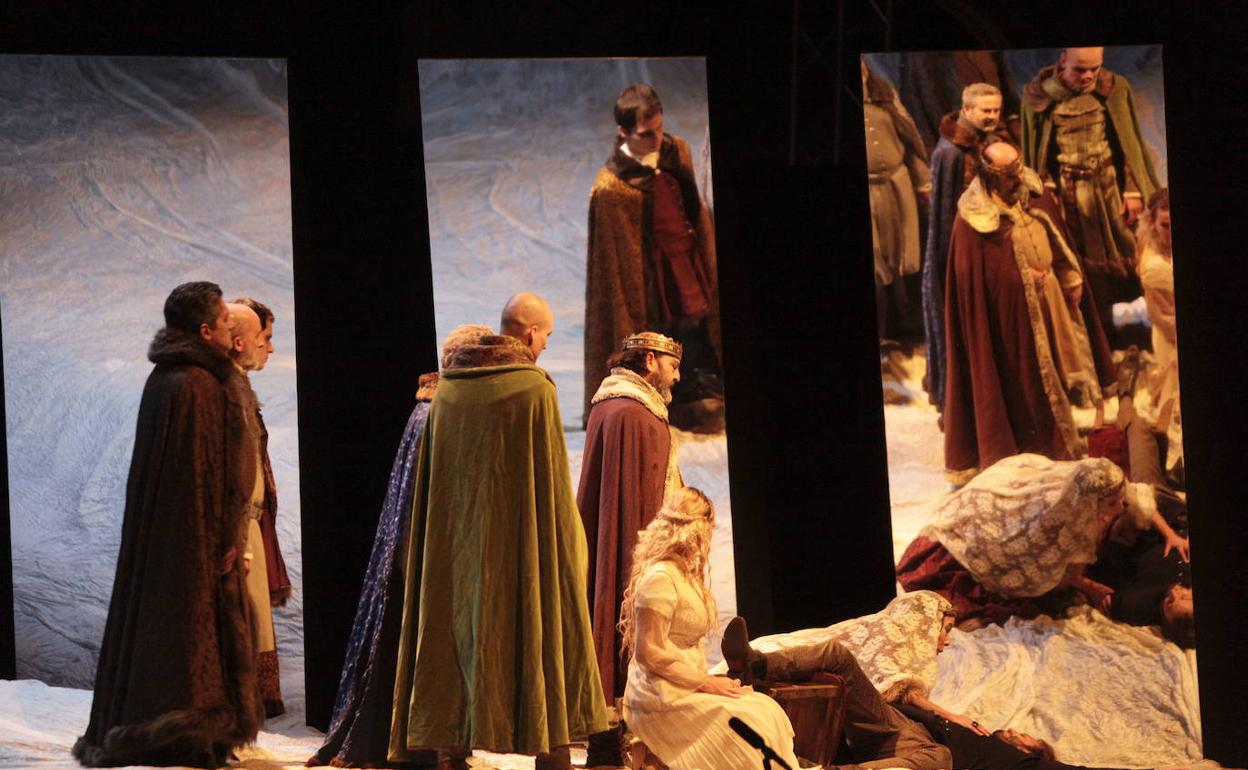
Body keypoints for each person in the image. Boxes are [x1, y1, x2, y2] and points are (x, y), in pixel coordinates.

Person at [389, 293, 617, 770]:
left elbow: (439, 490)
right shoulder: (534, 390)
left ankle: (450, 748)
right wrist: (569, 549)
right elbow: (552, 489)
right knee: (537, 626)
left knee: (456, 629)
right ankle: (550, 749)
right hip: (521, 551)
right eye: (547, 336)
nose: (546, 345)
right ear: (531, 333)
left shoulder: (448, 390)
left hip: (456, 553)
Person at [73, 282, 263, 768]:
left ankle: (161, 729)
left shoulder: (167, 377)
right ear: (206, 331)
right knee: (191, 632)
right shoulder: (200, 384)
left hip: (172, 536)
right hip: (195, 539)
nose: (231, 327)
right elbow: (207, 473)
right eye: (224, 320)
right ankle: (186, 734)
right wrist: (225, 537)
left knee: (163, 620)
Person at [309, 324, 492, 768]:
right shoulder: (442, 413)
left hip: (416, 553)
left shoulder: (428, 408)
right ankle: (421, 745)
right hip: (424, 558)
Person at [943, 141, 1108, 482]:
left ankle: (1070, 425)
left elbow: (1055, 236)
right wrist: (1018, 277)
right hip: (1015, 319)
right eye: (1008, 174)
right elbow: (981, 279)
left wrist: (1070, 275)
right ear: (990, 176)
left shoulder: (1031, 195)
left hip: (1052, 304)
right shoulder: (973, 219)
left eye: (1018, 168)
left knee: (1063, 367)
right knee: (1029, 381)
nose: (1018, 178)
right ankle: (1042, 445)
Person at [620, 487, 805, 770]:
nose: (710, 536)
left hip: (683, 685)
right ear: (695, 528)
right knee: (750, 720)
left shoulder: (685, 574)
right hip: (658, 696)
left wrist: (705, 682)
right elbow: (649, 652)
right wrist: (705, 683)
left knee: (766, 709)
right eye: (708, 527)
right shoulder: (660, 578)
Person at [896, 453, 1184, 628]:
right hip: (998, 524)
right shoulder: (1060, 521)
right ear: (1091, 505)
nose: (1120, 506)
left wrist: (1171, 535)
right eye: (1112, 504)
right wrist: (1089, 586)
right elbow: (1051, 569)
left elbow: (1135, 497)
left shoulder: (1107, 483)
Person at [585, 83, 723, 434]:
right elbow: (614, 265)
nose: (657, 139)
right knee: (662, 332)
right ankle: (667, 396)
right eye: (646, 134)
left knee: (695, 325)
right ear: (624, 132)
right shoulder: (613, 187)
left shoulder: (678, 151)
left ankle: (696, 385)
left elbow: (692, 207)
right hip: (649, 277)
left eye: (660, 128)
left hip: (685, 260)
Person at [1021, 47, 1161, 349]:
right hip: (1071, 193)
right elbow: (1038, 150)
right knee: (1080, 253)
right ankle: (1101, 331)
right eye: (1079, 69)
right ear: (1063, 61)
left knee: (1126, 246)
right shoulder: (1040, 97)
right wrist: (1047, 191)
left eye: (1094, 69)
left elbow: (1129, 142)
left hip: (1110, 186)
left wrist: (1132, 190)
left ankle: (1140, 325)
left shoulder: (1113, 89)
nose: (1087, 76)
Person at [578, 331, 685, 703]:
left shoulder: (612, 405)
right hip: (635, 539)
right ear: (650, 360)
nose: (677, 376)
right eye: (673, 366)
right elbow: (638, 495)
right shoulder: (633, 413)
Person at [716, 612, 954, 770]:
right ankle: (755, 664)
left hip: (920, 748)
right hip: (898, 726)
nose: (948, 640)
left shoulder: (983, 741)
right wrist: (950, 716)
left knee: (942, 756)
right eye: (946, 629)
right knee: (838, 654)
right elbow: (903, 691)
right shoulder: (910, 653)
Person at [923, 82, 1007, 413]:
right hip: (959, 252)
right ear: (967, 110)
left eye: (996, 110)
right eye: (986, 110)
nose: (992, 116)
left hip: (985, 245)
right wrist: (953, 264)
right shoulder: (950, 153)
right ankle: (958, 403)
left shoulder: (989, 141)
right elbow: (944, 215)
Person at [224, 301, 286, 718]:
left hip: (249, 521)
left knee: (254, 614)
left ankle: (250, 705)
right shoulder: (227, 391)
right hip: (239, 525)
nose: (270, 348)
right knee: (242, 614)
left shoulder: (240, 388)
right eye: (265, 338)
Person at [862, 59, 931, 344]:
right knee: (876, 258)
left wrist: (923, 181)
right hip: (870, 190)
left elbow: (910, 139)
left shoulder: (884, 94)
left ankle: (907, 325)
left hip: (896, 187)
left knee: (902, 253)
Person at [895, 703, 1147, 770]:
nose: (1016, 730)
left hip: (918, 743)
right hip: (908, 721)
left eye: (1026, 736)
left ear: (1028, 752)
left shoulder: (1023, 763)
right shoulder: (979, 737)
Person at [1135, 189, 1181, 453]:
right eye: (1165, 226)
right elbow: (1165, 317)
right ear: (1152, 223)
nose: (1171, 232)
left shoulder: (1168, 252)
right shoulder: (1154, 266)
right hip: (1170, 337)